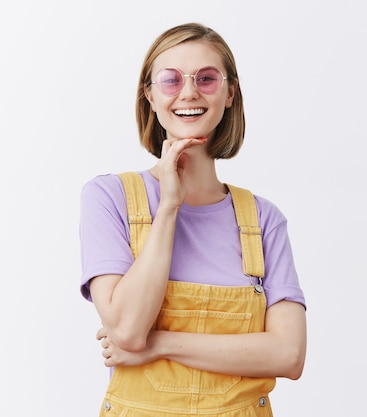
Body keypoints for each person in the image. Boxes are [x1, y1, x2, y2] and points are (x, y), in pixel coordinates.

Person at [79, 22, 307, 416]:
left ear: (230, 92)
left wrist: (162, 344)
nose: (189, 92)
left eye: (206, 78)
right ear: (149, 95)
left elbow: (288, 355)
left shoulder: (263, 220)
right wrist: (169, 206)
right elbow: (128, 330)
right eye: (170, 80)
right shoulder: (109, 198)